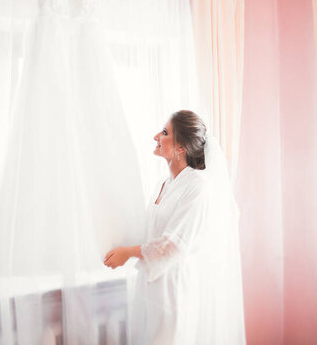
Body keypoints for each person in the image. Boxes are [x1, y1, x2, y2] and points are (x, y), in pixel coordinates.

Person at [104, 110, 246, 344]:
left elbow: (174, 245)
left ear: (181, 147)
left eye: (164, 132)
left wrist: (128, 253)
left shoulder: (198, 187)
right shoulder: (164, 183)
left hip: (174, 292)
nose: (155, 136)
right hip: (152, 288)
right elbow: (151, 231)